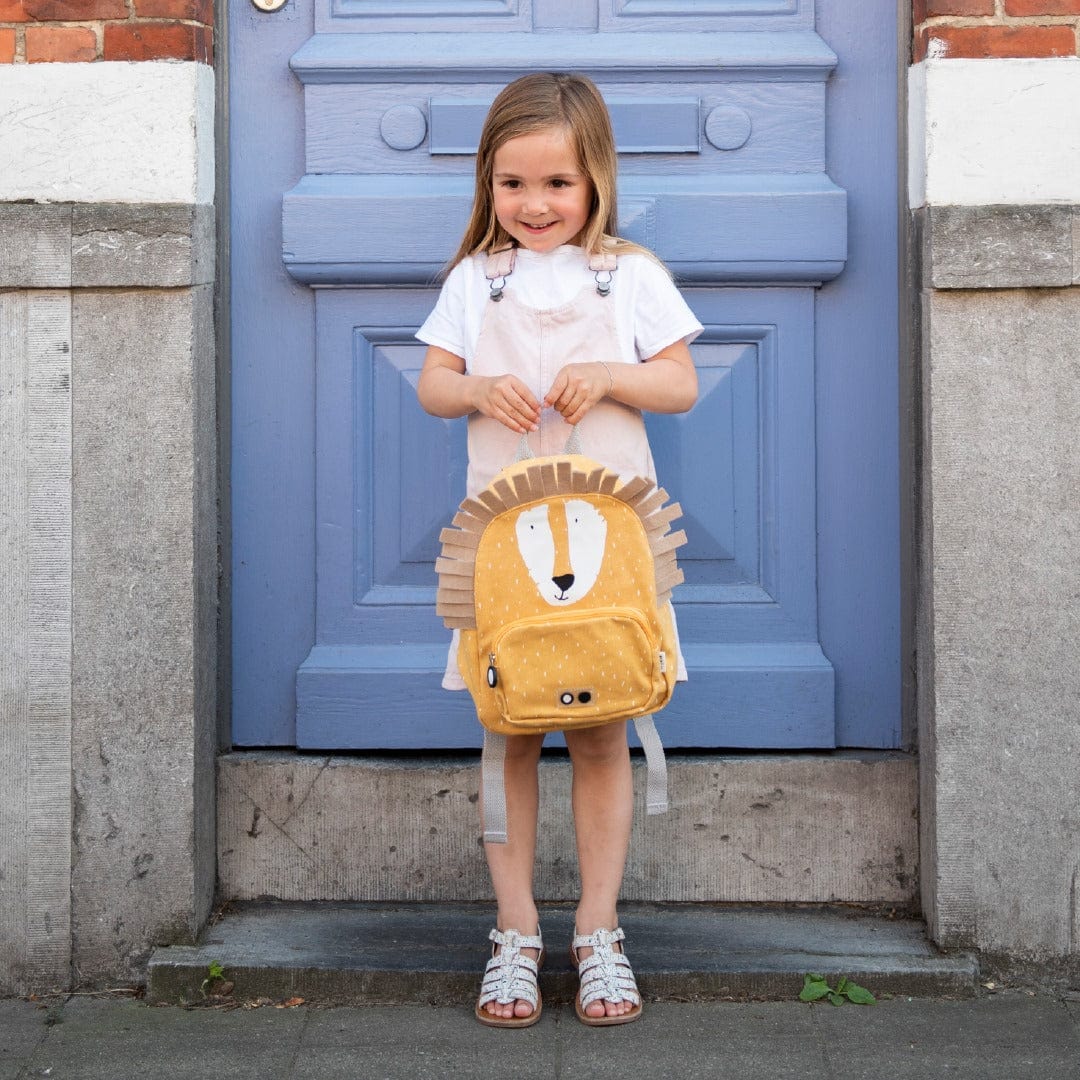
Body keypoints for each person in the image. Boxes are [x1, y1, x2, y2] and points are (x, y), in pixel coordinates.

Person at [415, 72, 701, 1029]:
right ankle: (514, 931)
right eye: (513, 185)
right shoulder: (476, 279)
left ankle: (598, 928)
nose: (534, 205)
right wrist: (473, 390)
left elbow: (679, 384)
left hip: (608, 550)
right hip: (504, 553)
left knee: (601, 730)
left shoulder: (629, 274)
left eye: (557, 185)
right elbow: (433, 384)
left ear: (596, 181)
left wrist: (612, 374)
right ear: (488, 185)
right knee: (508, 727)